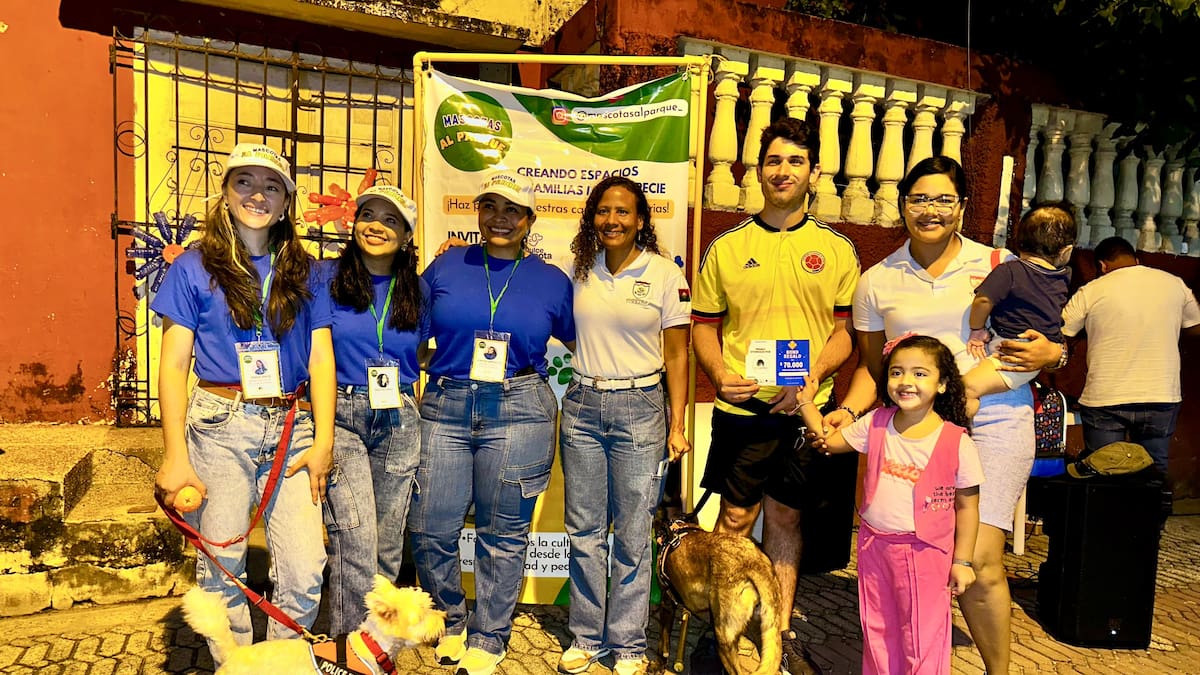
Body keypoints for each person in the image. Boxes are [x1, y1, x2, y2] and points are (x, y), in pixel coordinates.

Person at [830, 155, 1064, 674]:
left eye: (942, 199)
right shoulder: (877, 280)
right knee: (925, 553)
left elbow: (1043, 337)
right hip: (916, 433)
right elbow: (876, 369)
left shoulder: (1001, 262)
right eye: (919, 199)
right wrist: (845, 411)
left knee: (979, 561)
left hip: (996, 418)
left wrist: (1057, 354)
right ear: (902, 205)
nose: (930, 210)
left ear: (961, 207)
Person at [151, 143, 334, 658]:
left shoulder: (309, 272)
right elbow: (173, 363)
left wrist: (324, 440)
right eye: (245, 182)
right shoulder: (191, 268)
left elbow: (321, 358)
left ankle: (278, 664)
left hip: (293, 426)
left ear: (286, 201)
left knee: (304, 566)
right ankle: (234, 665)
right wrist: (174, 455)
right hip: (218, 424)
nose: (258, 194)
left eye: (271, 185)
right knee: (222, 566)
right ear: (226, 193)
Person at [691, 117, 860, 675]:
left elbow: (845, 333)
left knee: (786, 523)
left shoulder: (835, 249)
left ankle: (776, 639)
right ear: (757, 172)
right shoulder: (727, 246)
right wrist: (717, 373)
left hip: (804, 412)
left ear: (813, 173)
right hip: (744, 411)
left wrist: (812, 378)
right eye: (773, 161)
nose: (782, 170)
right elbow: (704, 327)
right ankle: (720, 636)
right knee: (734, 521)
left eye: (794, 161)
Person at [408, 170, 575, 675]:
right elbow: (409, 337)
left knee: (503, 533)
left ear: (528, 221)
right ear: (477, 212)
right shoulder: (444, 267)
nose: (499, 218)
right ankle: (452, 619)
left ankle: (490, 634)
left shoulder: (553, 281)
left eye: (512, 211)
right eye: (490, 207)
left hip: (520, 408)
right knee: (431, 525)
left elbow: (583, 345)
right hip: (446, 404)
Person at [556, 177, 691, 675]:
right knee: (585, 529)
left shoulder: (664, 274)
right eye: (604, 211)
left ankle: (629, 643)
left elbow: (678, 354)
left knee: (632, 532)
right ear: (593, 217)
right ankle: (587, 636)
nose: (612, 220)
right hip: (583, 405)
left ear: (640, 220)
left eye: (623, 212)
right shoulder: (579, 270)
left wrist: (678, 424)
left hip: (641, 408)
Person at [814, 334, 981, 675]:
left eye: (920, 373)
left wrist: (962, 560)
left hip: (926, 553)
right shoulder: (875, 423)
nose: (906, 382)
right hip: (875, 546)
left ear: (944, 384)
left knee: (922, 637)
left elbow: (968, 507)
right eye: (897, 372)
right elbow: (828, 443)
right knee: (878, 629)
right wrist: (805, 403)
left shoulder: (956, 442)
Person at [322, 184, 428, 635]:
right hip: (341, 411)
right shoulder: (325, 280)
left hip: (398, 416)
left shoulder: (418, 289)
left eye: (390, 220)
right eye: (369, 216)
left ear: (405, 235)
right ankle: (347, 647)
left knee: (387, 541)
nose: (377, 227)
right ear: (354, 223)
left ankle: (378, 642)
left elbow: (421, 353)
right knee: (355, 534)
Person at [1061, 235, 1200, 472]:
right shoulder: (1174, 283)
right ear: (1136, 259)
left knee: (1104, 472)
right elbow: (1195, 328)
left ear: (1102, 266)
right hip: (1161, 395)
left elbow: (1064, 331)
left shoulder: (1091, 290)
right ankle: (1152, 508)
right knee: (1153, 473)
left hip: (1105, 397)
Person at [962, 201, 1076, 417]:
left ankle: (960, 424)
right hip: (1033, 349)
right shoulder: (1062, 278)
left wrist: (976, 330)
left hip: (1015, 354)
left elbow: (983, 301)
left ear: (1019, 242)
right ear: (1066, 251)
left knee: (964, 389)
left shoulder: (1010, 271)